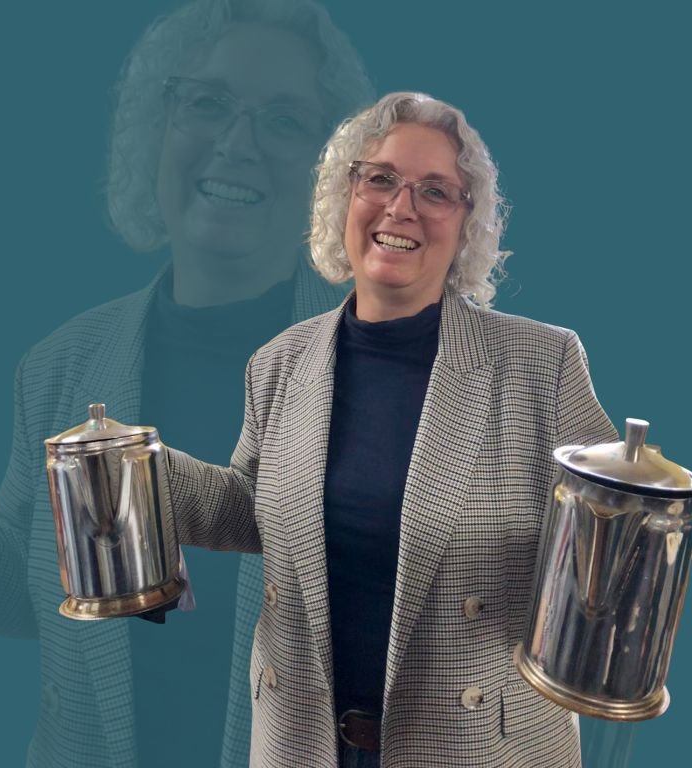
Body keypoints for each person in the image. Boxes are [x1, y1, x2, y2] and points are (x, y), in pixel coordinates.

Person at [0, 1, 372, 766]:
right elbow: (25, 582)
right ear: (156, 127)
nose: (236, 143)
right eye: (207, 103)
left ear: (336, 176)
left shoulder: (394, 365)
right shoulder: (61, 365)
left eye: (284, 122)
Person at [162, 91, 619, 768]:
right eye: (379, 178)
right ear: (346, 196)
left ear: (468, 224)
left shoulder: (541, 363)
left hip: (474, 748)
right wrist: (142, 466)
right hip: (305, 744)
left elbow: (607, 531)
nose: (400, 208)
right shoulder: (280, 362)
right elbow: (254, 510)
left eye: (435, 191)